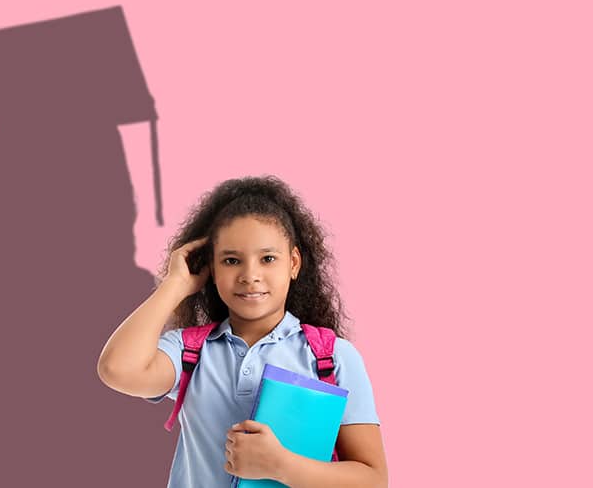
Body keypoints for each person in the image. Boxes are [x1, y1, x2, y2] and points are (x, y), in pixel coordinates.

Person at [97, 175, 388, 487]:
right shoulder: (188, 352)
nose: (250, 275)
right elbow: (117, 369)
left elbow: (372, 479)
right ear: (211, 268)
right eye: (232, 260)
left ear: (293, 263)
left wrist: (280, 465)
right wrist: (175, 284)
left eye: (268, 259)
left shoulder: (332, 357)